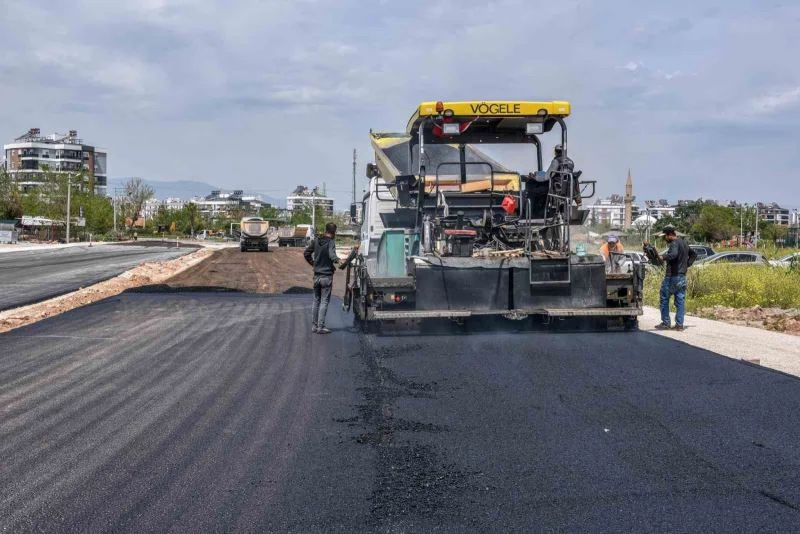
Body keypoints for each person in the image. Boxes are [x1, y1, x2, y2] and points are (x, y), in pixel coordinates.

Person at [303, 223, 358, 334]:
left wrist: (313, 263)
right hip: (326, 276)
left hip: (317, 275)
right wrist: (339, 260)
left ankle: (314, 326)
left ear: (325, 230)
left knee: (316, 300)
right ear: (334, 232)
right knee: (324, 301)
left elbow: (306, 253)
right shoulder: (331, 242)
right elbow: (332, 255)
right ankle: (321, 326)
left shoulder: (317, 240)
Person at [656, 225, 697, 331]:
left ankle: (666, 323)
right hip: (682, 276)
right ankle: (679, 325)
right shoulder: (684, 243)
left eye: (665, 236)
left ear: (669, 235)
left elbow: (673, 255)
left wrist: (663, 257)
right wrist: (687, 265)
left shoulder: (674, 243)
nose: (664, 239)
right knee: (680, 300)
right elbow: (694, 254)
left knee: (664, 298)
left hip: (672, 276)